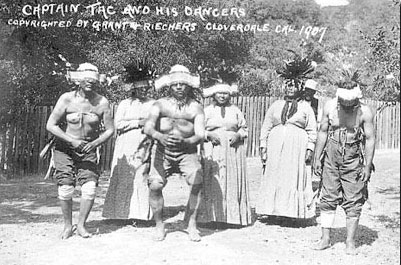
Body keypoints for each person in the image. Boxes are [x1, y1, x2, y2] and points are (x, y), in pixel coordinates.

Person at [46, 62, 114, 239]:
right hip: (65, 148)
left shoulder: (101, 102)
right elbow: (51, 125)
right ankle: (68, 226)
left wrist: (95, 143)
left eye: (93, 79)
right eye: (86, 79)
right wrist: (71, 140)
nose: (90, 82)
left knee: (90, 186)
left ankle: (82, 225)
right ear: (78, 80)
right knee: (66, 185)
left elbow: (110, 129)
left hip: (88, 148)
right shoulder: (66, 99)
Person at [312, 70, 375, 255]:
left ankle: (350, 241)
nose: (347, 106)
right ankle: (325, 238)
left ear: (356, 99)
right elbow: (322, 132)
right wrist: (317, 158)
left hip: (353, 157)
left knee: (354, 200)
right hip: (331, 155)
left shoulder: (365, 112)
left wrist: (367, 166)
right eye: (344, 103)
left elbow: (370, 139)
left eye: (350, 103)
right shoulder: (329, 106)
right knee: (328, 197)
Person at [143, 64, 205, 241]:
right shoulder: (160, 104)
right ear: (169, 86)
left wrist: (187, 141)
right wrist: (158, 136)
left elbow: (200, 134)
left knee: (197, 181)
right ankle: (159, 225)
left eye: (183, 84)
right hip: (162, 150)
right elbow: (148, 126)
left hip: (187, 152)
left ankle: (191, 224)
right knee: (155, 185)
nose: (179, 87)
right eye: (175, 84)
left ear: (189, 86)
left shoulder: (196, 107)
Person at [257, 58, 317, 222]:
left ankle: (291, 213)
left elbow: (312, 130)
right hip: (275, 147)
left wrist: (309, 149)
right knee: (274, 175)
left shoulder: (305, 107)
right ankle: (272, 211)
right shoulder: (276, 105)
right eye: (288, 85)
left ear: (300, 88)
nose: (291, 88)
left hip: (296, 149)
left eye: (294, 85)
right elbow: (266, 126)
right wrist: (263, 147)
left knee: (292, 177)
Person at [102, 62, 155, 221]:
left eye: (146, 88)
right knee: (123, 174)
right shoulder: (125, 104)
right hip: (125, 143)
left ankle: (139, 215)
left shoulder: (152, 103)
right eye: (140, 88)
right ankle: (118, 214)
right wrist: (137, 122)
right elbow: (118, 124)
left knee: (141, 175)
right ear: (133, 88)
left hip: (143, 142)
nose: (143, 90)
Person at [197, 81, 252, 227]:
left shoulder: (235, 110)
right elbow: (197, 129)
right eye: (219, 93)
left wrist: (238, 135)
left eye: (225, 93)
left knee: (231, 180)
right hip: (212, 150)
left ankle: (231, 218)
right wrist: (208, 134)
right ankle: (209, 217)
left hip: (232, 151)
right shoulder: (206, 110)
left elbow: (244, 128)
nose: (222, 96)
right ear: (214, 95)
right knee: (212, 180)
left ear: (229, 95)